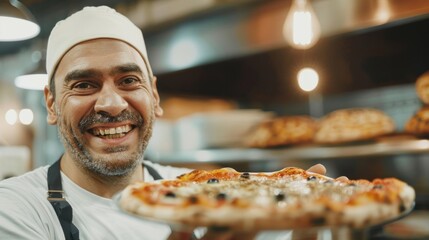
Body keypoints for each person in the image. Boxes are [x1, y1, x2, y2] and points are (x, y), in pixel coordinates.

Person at [0, 6, 331, 240]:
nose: (112, 105)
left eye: (129, 80)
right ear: (52, 103)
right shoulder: (14, 208)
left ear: (154, 96)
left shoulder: (210, 192)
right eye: (84, 84)